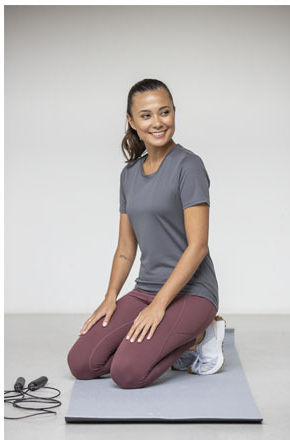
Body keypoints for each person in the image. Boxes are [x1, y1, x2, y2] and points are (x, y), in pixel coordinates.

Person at [67, 78, 225, 389]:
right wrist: (110, 298)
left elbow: (198, 246)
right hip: (146, 290)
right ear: (131, 121)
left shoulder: (188, 166)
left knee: (127, 373)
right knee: (82, 363)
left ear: (174, 112)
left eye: (165, 112)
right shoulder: (129, 175)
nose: (158, 122)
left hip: (192, 292)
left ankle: (199, 335)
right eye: (146, 115)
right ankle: (166, 341)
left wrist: (159, 306)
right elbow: (126, 248)